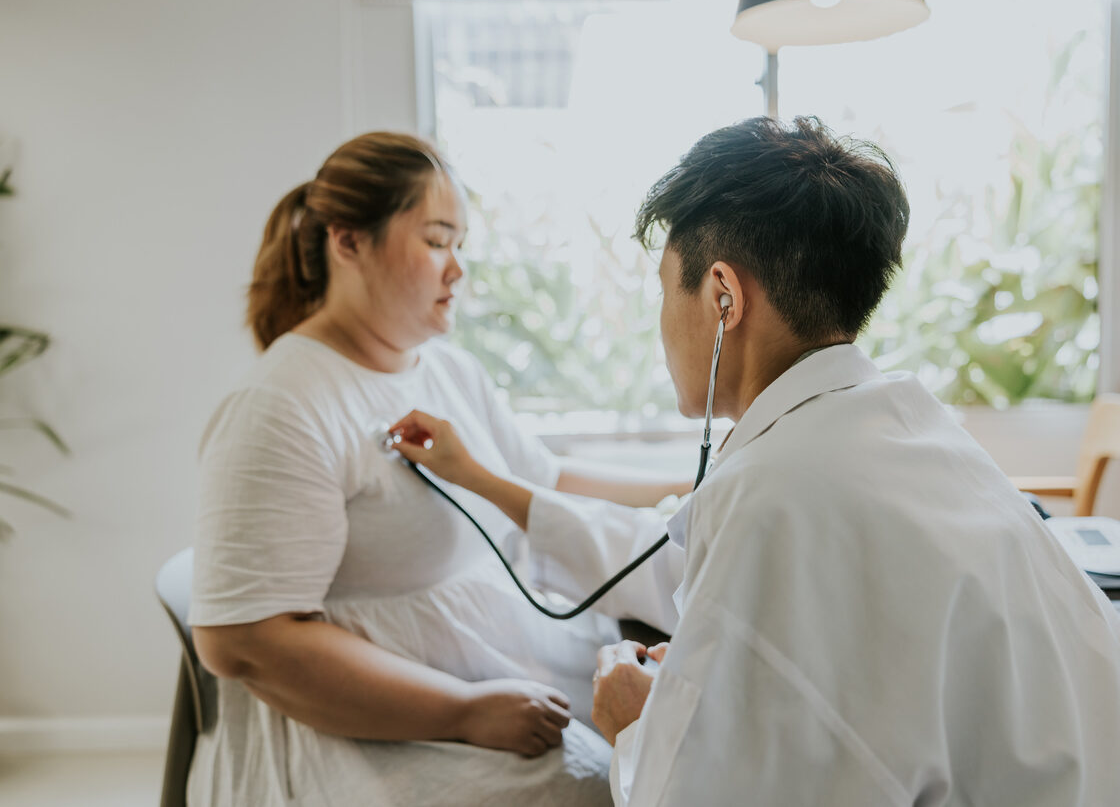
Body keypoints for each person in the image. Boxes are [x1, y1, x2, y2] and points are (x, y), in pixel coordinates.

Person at [399, 117, 1120, 806]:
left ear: (722, 297)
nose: (660, 324)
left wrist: (636, 729)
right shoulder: (910, 433)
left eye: (662, 290)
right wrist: (487, 482)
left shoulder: (779, 494)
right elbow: (666, 564)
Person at [187, 132, 682, 807]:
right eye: (437, 240)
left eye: (461, 245)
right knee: (597, 790)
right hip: (368, 729)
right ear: (348, 243)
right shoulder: (281, 407)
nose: (458, 270)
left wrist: (687, 489)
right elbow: (241, 642)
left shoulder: (446, 368)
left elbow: (544, 477)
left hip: (502, 675)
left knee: (667, 753)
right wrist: (463, 710)